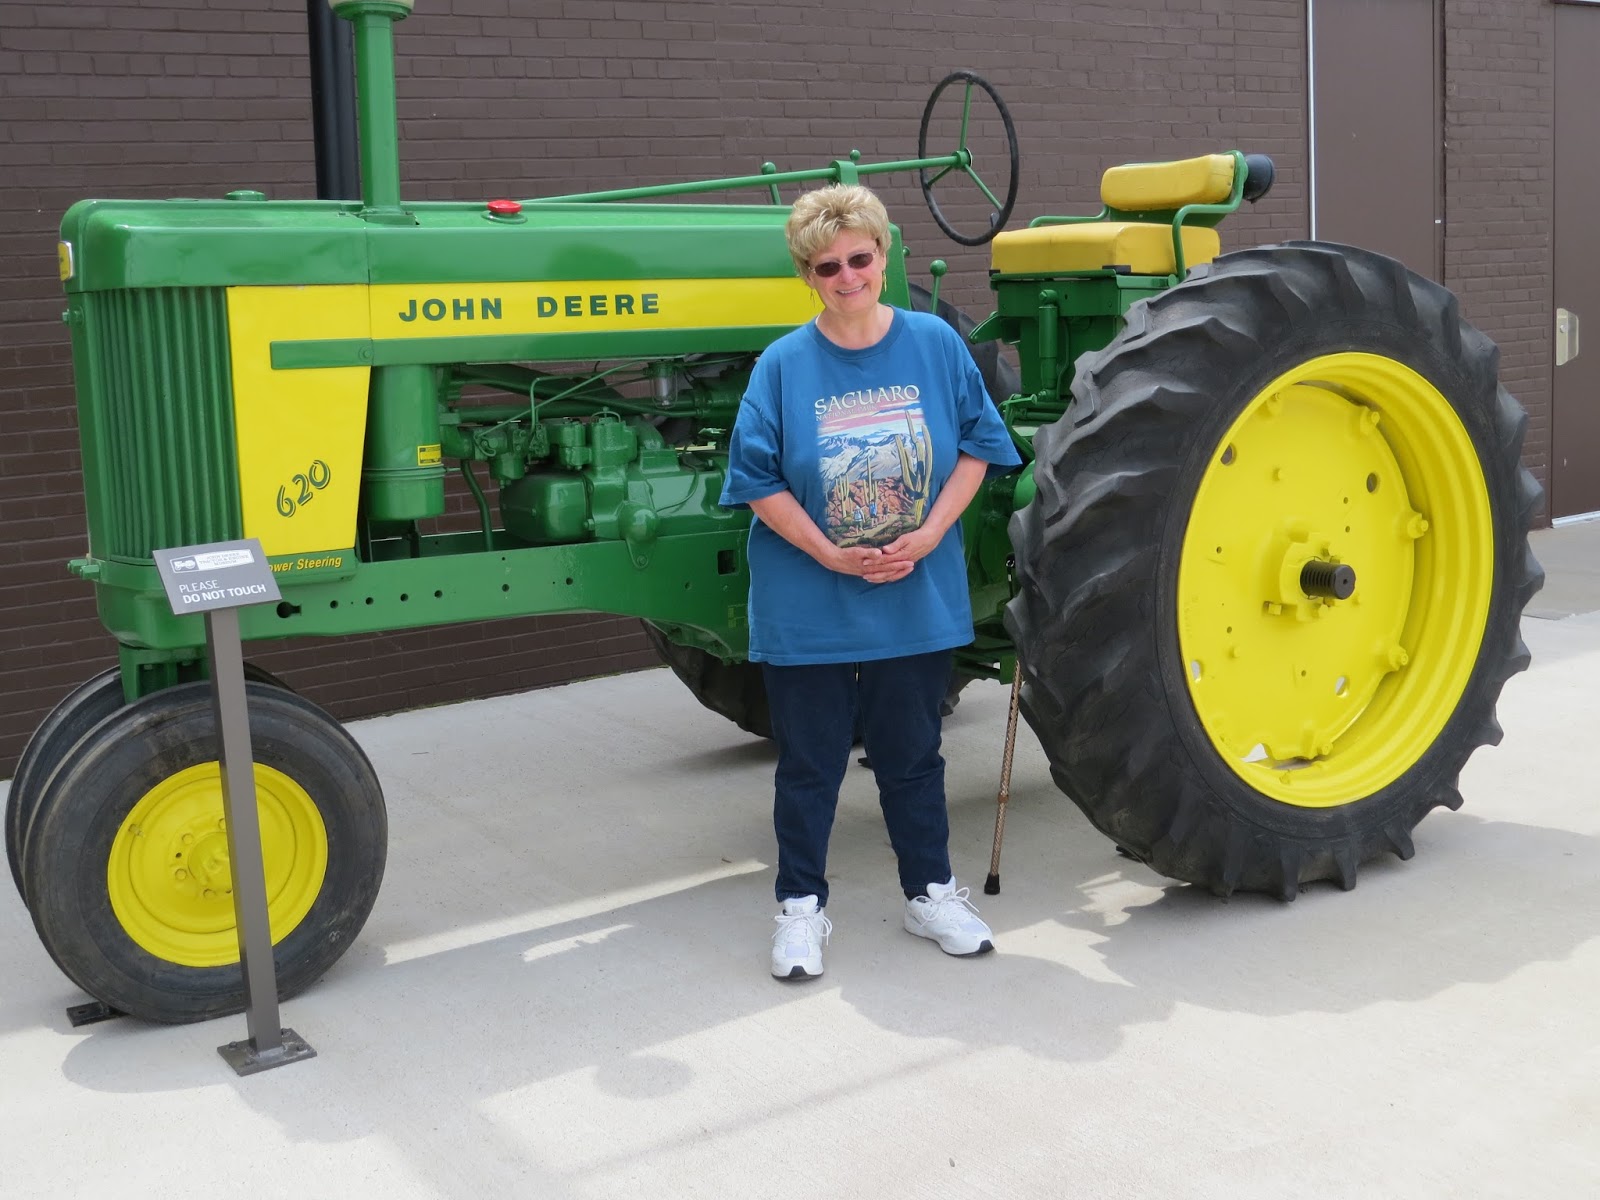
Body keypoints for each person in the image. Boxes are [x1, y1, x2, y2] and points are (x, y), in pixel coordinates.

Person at [719, 184, 1023, 980]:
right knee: (810, 764)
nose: (847, 277)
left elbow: (980, 443)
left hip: (911, 592)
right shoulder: (782, 365)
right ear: (807, 276)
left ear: (884, 257)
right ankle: (800, 908)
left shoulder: (934, 344)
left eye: (860, 258)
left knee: (912, 756)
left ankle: (930, 894)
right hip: (809, 598)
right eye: (828, 267)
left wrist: (931, 532)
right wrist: (826, 552)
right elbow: (755, 480)